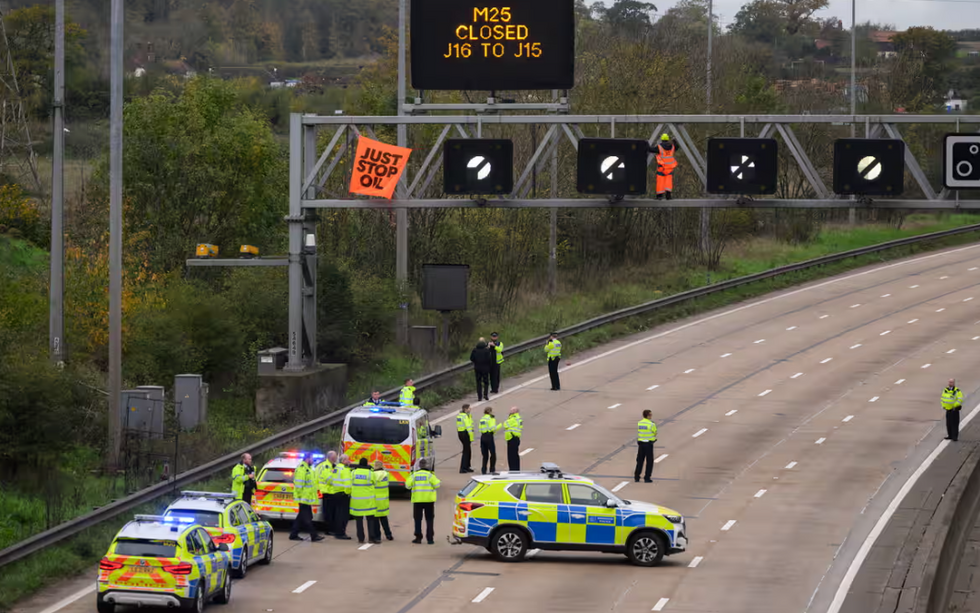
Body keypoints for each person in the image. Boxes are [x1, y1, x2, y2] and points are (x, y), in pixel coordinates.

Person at [289, 452, 324, 542]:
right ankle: (314, 535)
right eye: (312, 459)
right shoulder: (302, 469)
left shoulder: (308, 468)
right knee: (307, 518)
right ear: (307, 459)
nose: (312, 461)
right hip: (303, 498)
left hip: (306, 498)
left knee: (302, 517)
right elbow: (299, 484)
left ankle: (293, 534)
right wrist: (301, 496)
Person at [406, 458, 441, 545]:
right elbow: (437, 485)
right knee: (429, 520)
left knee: (417, 519)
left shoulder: (414, 475)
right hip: (429, 501)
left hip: (417, 500)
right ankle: (430, 539)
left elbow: (407, 486)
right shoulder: (430, 475)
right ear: (426, 466)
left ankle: (418, 538)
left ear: (419, 466)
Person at [350, 458, 379, 544]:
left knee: (359, 521)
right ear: (366, 464)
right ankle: (371, 538)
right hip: (368, 501)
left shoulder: (353, 473)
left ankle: (360, 538)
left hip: (357, 501)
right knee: (370, 520)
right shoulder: (371, 473)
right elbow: (375, 483)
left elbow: (350, 483)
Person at [649, 133, 677, 201]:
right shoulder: (672, 147)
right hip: (669, 169)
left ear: (661, 139)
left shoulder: (659, 147)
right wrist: (674, 141)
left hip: (661, 169)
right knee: (668, 183)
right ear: (667, 139)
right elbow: (677, 146)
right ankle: (668, 196)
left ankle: (659, 196)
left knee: (660, 183)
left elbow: (651, 149)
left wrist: (646, 144)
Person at [330, 455, 353, 540]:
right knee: (344, 516)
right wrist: (349, 493)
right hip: (343, 494)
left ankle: (337, 532)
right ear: (343, 461)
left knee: (337, 514)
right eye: (348, 460)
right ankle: (341, 533)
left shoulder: (336, 468)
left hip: (336, 493)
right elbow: (347, 484)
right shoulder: (345, 470)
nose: (349, 461)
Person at [372, 460, 394, 541]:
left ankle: (377, 536)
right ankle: (389, 535)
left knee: (375, 520)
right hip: (384, 500)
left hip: (375, 500)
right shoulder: (386, 474)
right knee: (384, 519)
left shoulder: (372, 475)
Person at [316, 451, 337, 533]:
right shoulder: (327, 466)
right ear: (331, 458)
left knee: (329, 512)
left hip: (326, 491)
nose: (336, 459)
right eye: (335, 457)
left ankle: (329, 528)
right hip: (327, 491)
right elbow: (329, 479)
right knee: (328, 512)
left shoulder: (324, 465)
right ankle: (328, 529)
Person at [635, 410, 658, 483]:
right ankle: (647, 477)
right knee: (649, 461)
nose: (651, 416)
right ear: (648, 415)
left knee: (640, 461)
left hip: (641, 443)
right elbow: (655, 432)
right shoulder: (651, 424)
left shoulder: (640, 423)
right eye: (650, 415)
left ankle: (637, 477)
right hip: (648, 444)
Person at [479, 406, 502, 474]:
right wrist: (499, 425)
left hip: (483, 436)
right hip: (489, 436)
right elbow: (493, 428)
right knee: (493, 454)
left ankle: (483, 469)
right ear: (490, 412)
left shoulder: (482, 419)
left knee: (485, 455)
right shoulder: (491, 418)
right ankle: (492, 469)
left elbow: (480, 428)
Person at [457, 404, 474, 473]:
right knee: (466, 451)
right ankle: (463, 468)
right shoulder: (465, 416)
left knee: (468, 450)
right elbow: (468, 427)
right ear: (466, 409)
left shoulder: (460, 415)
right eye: (469, 408)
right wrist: (471, 437)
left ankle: (467, 466)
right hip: (465, 433)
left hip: (460, 433)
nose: (470, 409)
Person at [504, 407, 523, 472]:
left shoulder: (514, 418)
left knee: (511, 455)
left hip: (512, 438)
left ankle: (513, 469)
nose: (510, 411)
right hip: (514, 437)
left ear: (515, 411)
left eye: (512, 410)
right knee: (514, 455)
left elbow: (506, 424)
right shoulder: (516, 418)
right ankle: (516, 469)